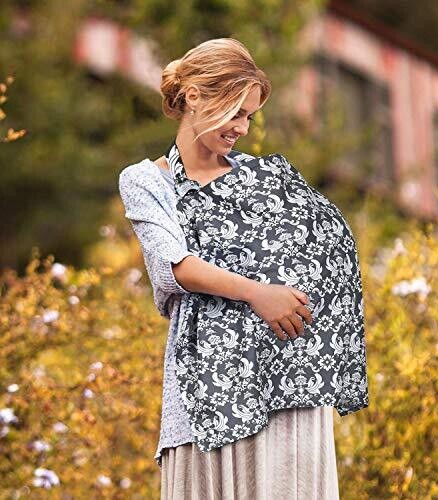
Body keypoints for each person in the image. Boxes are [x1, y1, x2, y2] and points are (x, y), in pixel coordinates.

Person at [119, 38, 346, 499]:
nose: (242, 128)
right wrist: (257, 292)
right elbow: (174, 265)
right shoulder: (146, 181)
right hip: (203, 387)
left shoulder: (266, 181)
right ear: (194, 96)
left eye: (250, 117)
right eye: (235, 112)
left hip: (285, 380)